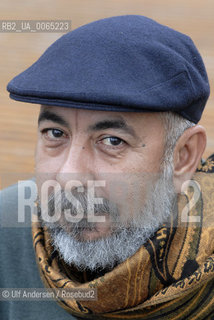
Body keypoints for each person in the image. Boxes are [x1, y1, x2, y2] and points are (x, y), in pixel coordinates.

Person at [0, 15, 213, 320]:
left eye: (112, 140)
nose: (69, 177)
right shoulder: (6, 228)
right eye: (55, 134)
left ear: (183, 157)